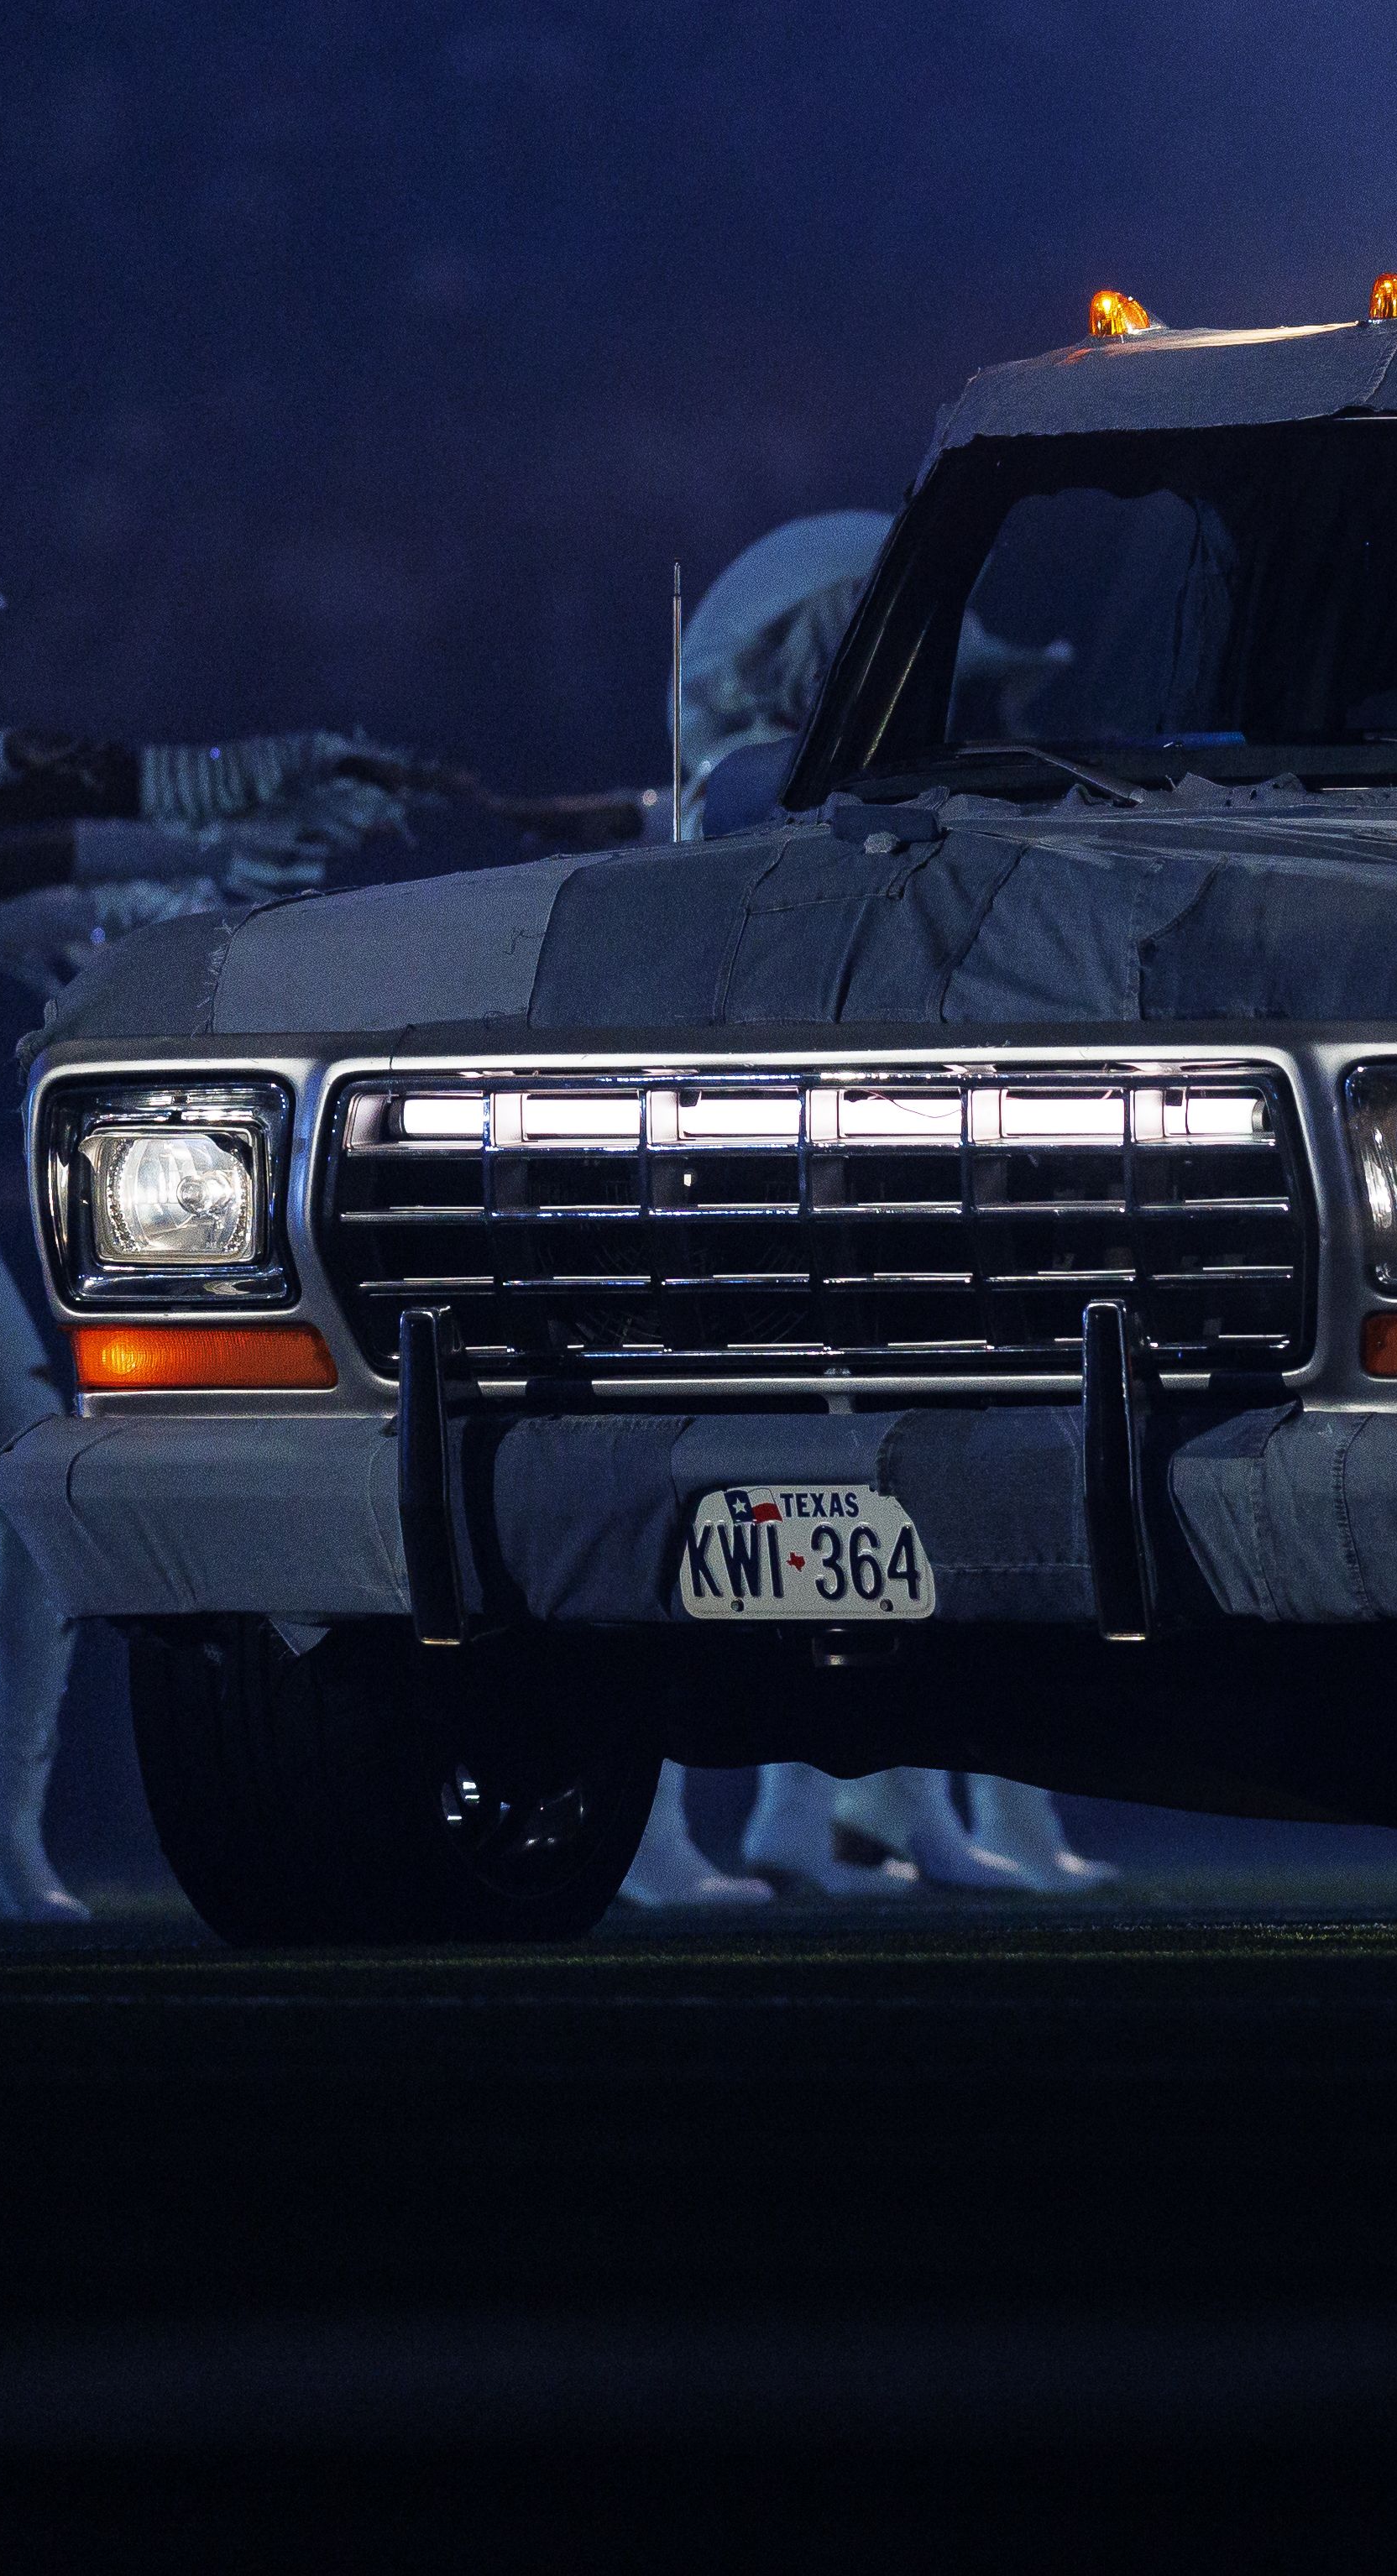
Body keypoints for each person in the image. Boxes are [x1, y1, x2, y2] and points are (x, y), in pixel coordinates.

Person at [0, 524, 417, 1917]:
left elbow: (11, 900)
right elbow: (0, 790)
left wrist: (224, 845)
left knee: (35, 1491)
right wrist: (195, 794)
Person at [613, 512, 1113, 1910]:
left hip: (815, 1179)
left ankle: (840, 1802)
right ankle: (678, 1834)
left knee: (858, 1511)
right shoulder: (766, 782)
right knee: (709, 1515)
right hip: (759, 1189)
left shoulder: (782, 780)